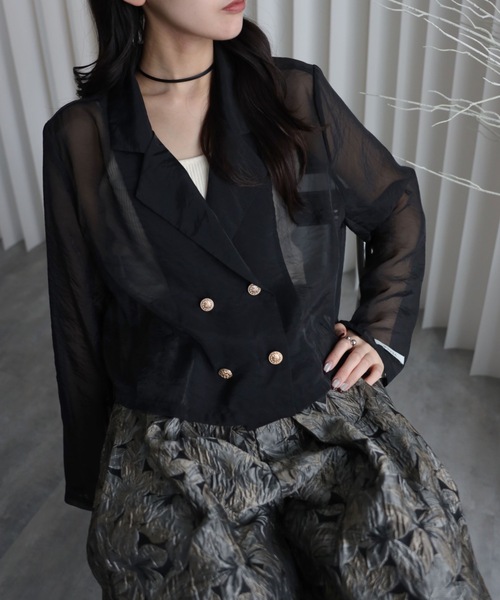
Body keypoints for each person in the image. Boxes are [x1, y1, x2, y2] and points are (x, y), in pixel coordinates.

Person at [42, 1, 490, 598]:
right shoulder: (83, 137)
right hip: (175, 435)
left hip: (318, 407)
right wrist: (97, 479)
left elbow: (394, 205)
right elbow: (78, 316)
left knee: (421, 573)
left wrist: (379, 332)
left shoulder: (292, 94)